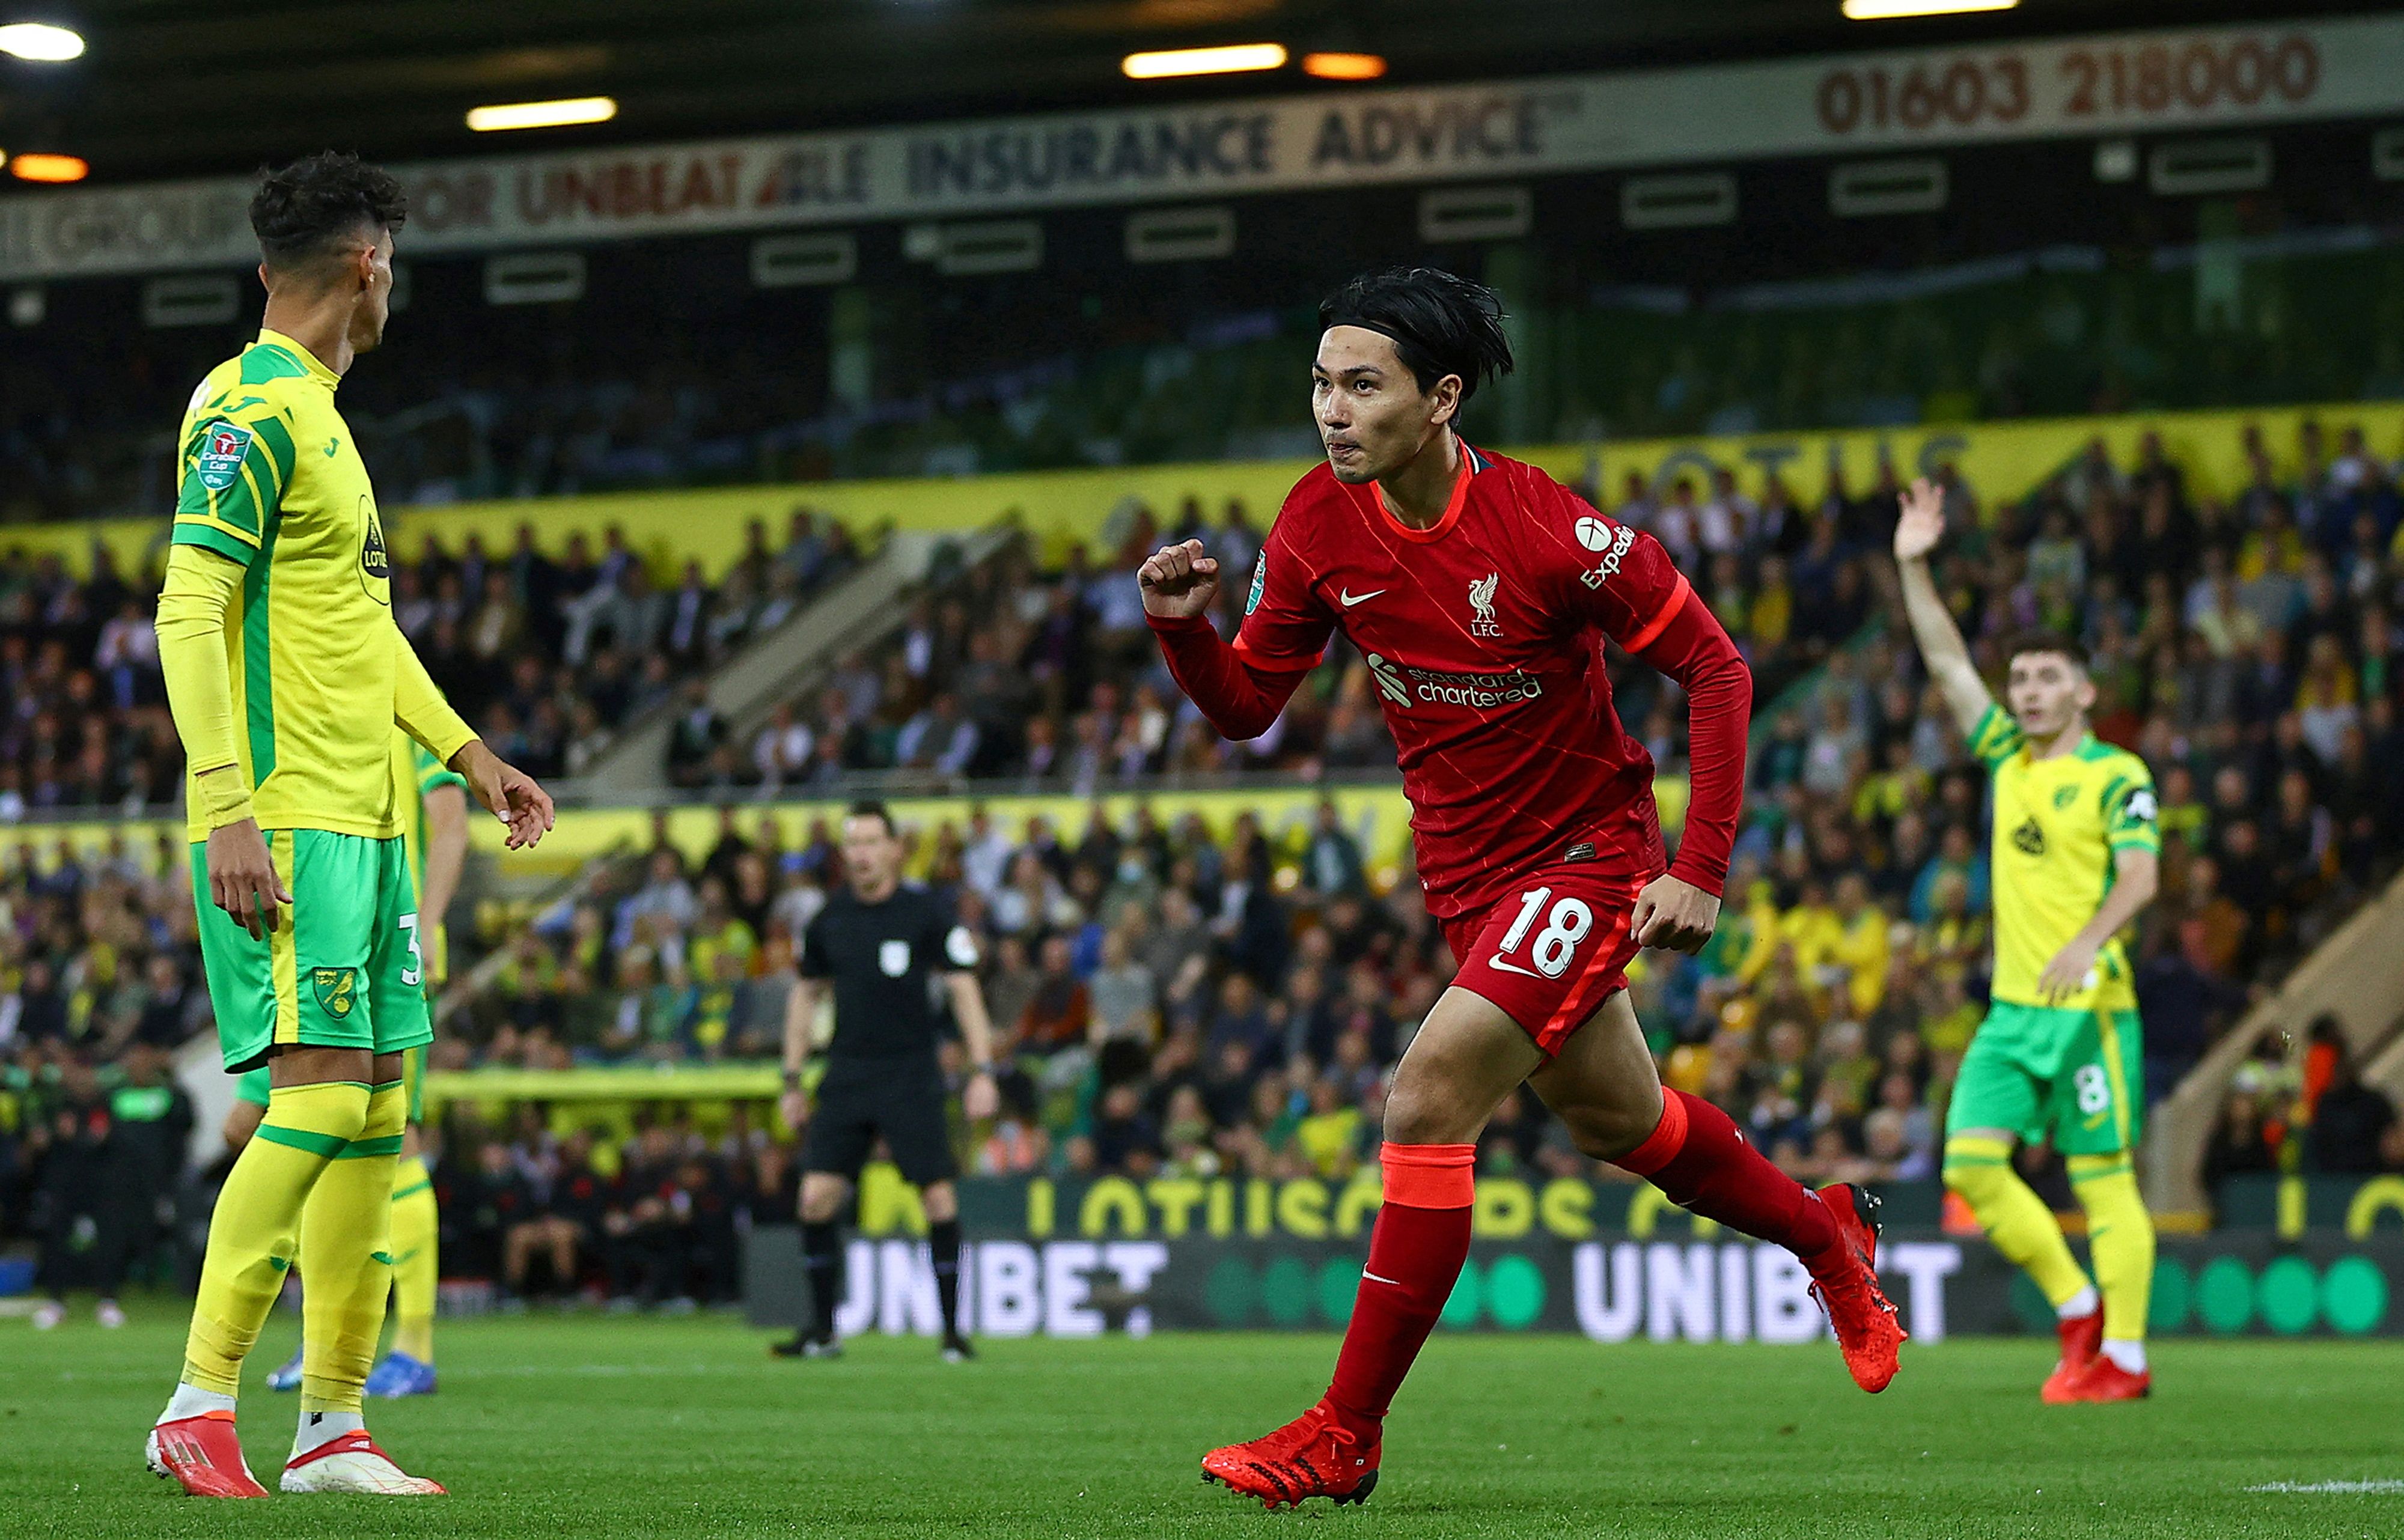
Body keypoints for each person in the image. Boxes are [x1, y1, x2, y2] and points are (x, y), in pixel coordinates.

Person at [1141, 267, 1902, 1509]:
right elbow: (1247, 706)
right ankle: (1829, 1236)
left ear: (1441, 399)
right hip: (1465, 875)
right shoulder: (1315, 523)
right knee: (1624, 1124)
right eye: (1321, 383)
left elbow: (1717, 669)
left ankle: (1343, 1431)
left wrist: (1697, 867)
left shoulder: (1548, 531)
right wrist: (1183, 630)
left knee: (1426, 1097)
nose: (1331, 410)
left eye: (1362, 386)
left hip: (1586, 855)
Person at [146, 151, 553, 1501]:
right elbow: (188, 609)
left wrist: (467, 754)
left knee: (376, 1114)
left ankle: (333, 1424)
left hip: (372, 823)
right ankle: (199, 1402)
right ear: (368, 266)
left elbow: (364, 638)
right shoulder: (250, 409)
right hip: (289, 818)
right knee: (318, 1098)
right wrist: (227, 806)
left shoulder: (324, 418)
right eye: (395, 266)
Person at [1896, 475, 2162, 1405]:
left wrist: (2090, 940)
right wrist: (1913, 566)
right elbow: (1946, 659)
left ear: (2084, 690)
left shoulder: (2118, 773)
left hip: (2091, 1008)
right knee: (1971, 1165)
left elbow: (2142, 876)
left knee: (2104, 1177)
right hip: (2013, 1011)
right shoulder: (2007, 756)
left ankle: (2125, 1355)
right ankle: (2079, 1305)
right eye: (2021, 680)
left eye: (2049, 678)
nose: (2030, 692)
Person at [234, 730, 472, 1399]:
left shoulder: (406, 713)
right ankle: (323, 1336)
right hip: (308, 942)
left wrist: (427, 923)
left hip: (386, 946)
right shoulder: (305, 712)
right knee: (289, 1132)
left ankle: (414, 1347)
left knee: (394, 1136)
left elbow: (451, 824)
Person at [773, 800, 1000, 1362]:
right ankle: (823, 1331)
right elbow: (805, 995)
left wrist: (982, 1070)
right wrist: (792, 1079)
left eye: (872, 842)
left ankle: (953, 1333)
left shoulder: (925, 912)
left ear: (896, 849)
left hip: (910, 1070)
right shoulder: (829, 919)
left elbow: (963, 988)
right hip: (848, 1071)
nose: (862, 854)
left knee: (938, 1196)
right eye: (853, 843)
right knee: (815, 1198)